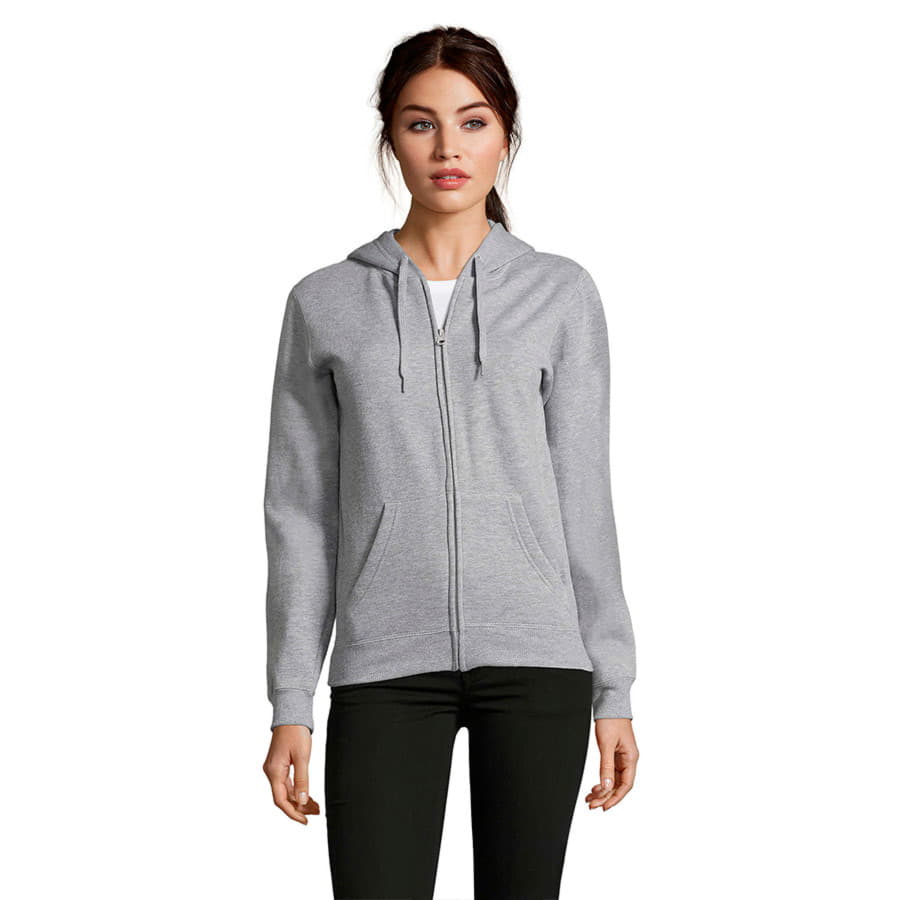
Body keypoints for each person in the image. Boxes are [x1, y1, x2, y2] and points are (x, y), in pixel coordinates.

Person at [261, 25, 639, 900]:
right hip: (383, 666)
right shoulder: (324, 303)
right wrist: (291, 700)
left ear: (505, 133)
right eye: (420, 123)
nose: (447, 149)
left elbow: (585, 498)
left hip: (539, 662)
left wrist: (613, 686)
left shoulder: (560, 294)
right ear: (390, 138)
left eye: (472, 122)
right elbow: (301, 515)